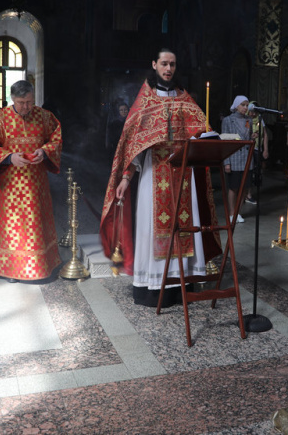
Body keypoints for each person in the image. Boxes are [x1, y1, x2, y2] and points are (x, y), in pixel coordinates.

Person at [99, 49, 221, 307]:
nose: (168, 69)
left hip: (183, 175)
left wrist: (206, 138)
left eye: (172, 64)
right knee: (151, 229)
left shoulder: (185, 100)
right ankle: (152, 287)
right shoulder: (144, 101)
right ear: (154, 64)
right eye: (164, 64)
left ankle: (182, 284)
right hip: (153, 174)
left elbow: (202, 132)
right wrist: (125, 178)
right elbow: (132, 145)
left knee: (185, 227)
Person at [0, 80, 62, 283]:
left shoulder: (44, 117)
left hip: (36, 184)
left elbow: (56, 138)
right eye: (21, 102)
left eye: (29, 101)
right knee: (15, 228)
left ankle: (42, 264)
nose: (26, 107)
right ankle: (12, 268)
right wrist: (9, 158)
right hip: (11, 186)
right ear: (12, 99)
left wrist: (44, 151)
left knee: (36, 224)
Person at [222, 95, 252, 223]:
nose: (245, 107)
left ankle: (238, 213)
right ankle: (231, 214)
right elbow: (224, 142)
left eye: (247, 105)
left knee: (244, 188)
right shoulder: (228, 120)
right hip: (233, 157)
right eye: (243, 105)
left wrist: (253, 137)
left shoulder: (249, 120)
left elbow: (249, 137)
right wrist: (226, 162)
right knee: (233, 187)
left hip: (246, 157)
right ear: (236, 105)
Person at [245, 101, 269, 204]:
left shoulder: (260, 119)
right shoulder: (245, 120)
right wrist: (251, 136)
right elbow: (243, 134)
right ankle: (246, 195)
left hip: (257, 149)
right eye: (251, 112)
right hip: (248, 149)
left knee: (256, 172)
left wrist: (265, 149)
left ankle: (250, 193)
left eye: (255, 112)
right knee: (248, 172)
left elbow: (265, 135)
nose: (253, 114)